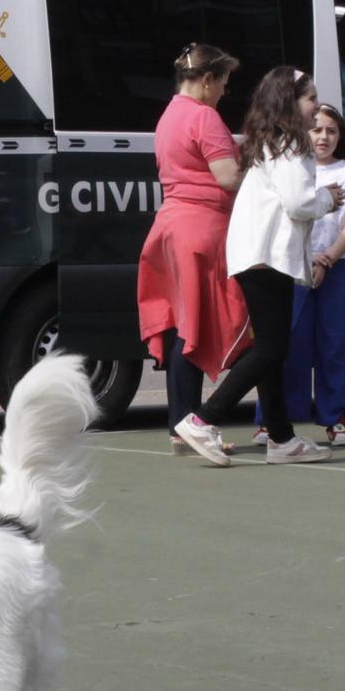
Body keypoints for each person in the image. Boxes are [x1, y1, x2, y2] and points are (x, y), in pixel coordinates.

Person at [172, 67, 343, 467]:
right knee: (271, 347)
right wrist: (328, 199)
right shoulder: (291, 144)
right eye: (309, 98)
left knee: (271, 346)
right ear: (289, 101)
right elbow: (299, 202)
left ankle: (281, 437)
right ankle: (203, 419)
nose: (315, 106)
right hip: (268, 256)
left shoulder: (270, 140)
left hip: (256, 254)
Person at [135, 43, 247, 455]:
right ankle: (191, 423)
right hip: (203, 229)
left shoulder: (168, 116)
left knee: (184, 327)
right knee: (195, 330)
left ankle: (179, 424)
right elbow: (228, 177)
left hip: (171, 226)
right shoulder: (205, 117)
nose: (223, 93)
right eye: (222, 83)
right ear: (206, 80)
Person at [272, 104, 345, 446]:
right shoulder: (293, 169)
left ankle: (337, 418)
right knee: (287, 343)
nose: (324, 137)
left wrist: (326, 260)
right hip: (294, 267)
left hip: (339, 269)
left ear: (340, 136)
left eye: (331, 130)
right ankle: (275, 420)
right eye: (317, 130)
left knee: (338, 344)